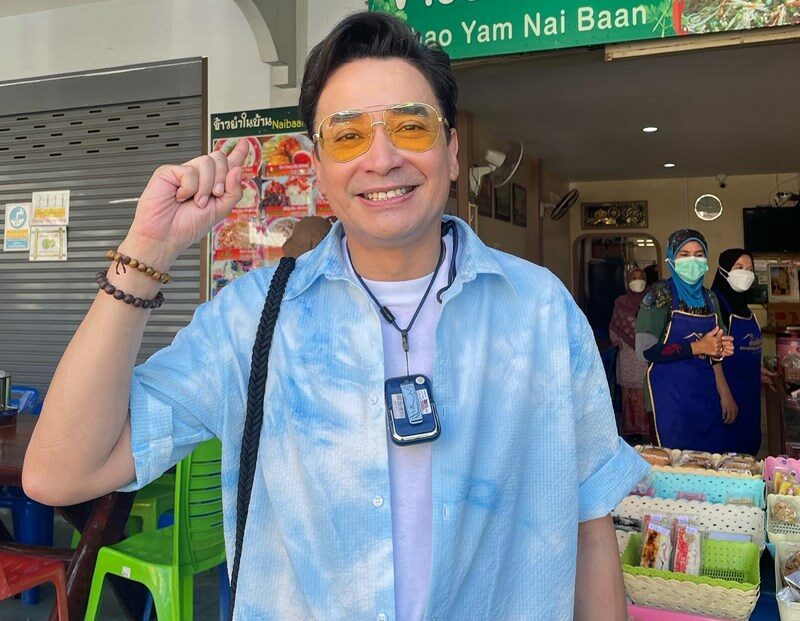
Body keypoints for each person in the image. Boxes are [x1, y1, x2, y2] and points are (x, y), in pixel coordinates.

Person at [22, 12, 648, 620]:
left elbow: (590, 528)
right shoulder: (252, 319)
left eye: (411, 127)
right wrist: (148, 251)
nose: (383, 158)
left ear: (452, 151)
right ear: (319, 168)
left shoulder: (540, 310)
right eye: (348, 136)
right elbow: (60, 472)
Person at [635, 229, 735, 453]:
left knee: (708, 461)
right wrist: (698, 347)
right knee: (673, 463)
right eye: (684, 254)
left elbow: (715, 353)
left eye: (699, 255)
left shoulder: (710, 299)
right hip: (668, 400)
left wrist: (719, 353)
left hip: (705, 395)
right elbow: (645, 350)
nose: (693, 261)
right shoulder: (659, 295)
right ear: (671, 258)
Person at [710, 248, 766, 454]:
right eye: (739, 267)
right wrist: (725, 396)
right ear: (723, 270)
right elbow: (712, 357)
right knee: (729, 454)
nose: (745, 273)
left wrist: (758, 370)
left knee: (748, 450)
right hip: (727, 392)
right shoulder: (716, 305)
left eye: (750, 269)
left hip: (749, 392)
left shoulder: (744, 307)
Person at [609, 267, 651, 442]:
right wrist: (616, 340)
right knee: (628, 395)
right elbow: (613, 326)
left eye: (641, 277)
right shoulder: (620, 303)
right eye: (634, 277)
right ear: (628, 281)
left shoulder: (652, 301)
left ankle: (648, 431)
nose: (638, 281)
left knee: (646, 392)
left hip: (646, 354)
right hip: (627, 355)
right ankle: (631, 432)